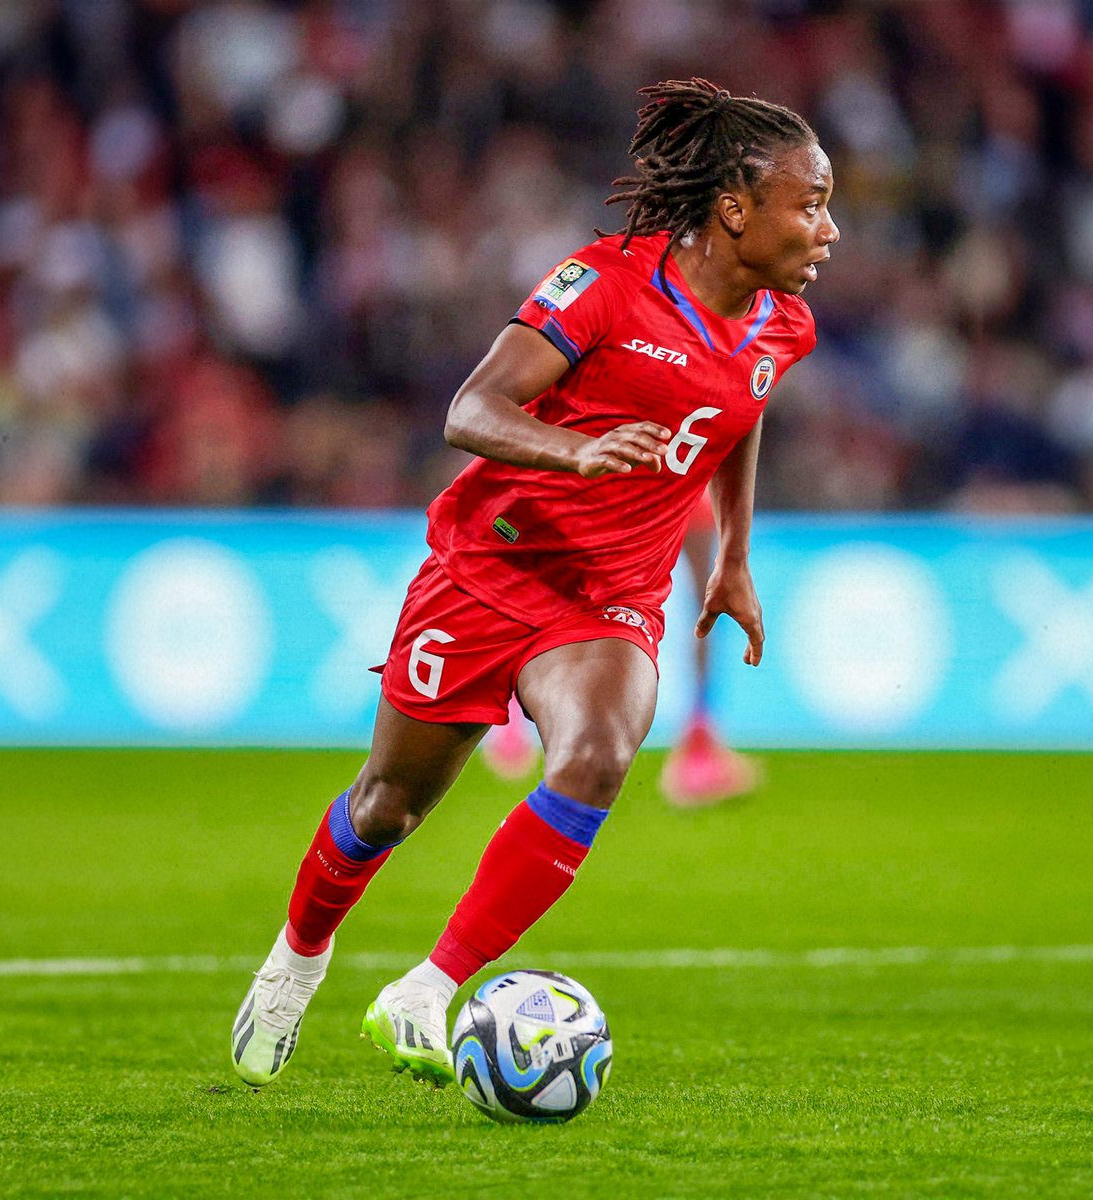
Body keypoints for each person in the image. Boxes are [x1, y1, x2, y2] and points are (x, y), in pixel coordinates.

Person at [231, 77, 839, 1090]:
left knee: (598, 755)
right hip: (491, 565)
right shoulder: (602, 284)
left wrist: (732, 556)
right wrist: (577, 454)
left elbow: (743, 406)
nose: (827, 228)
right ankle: (298, 957)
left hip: (609, 596)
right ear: (737, 209)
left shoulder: (784, 327)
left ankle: (429, 988)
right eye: (810, 202)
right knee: (387, 805)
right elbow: (471, 410)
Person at [660, 493, 760, 806]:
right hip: (683, 478)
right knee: (705, 605)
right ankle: (697, 747)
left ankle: (698, 743)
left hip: (637, 479)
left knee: (705, 605)